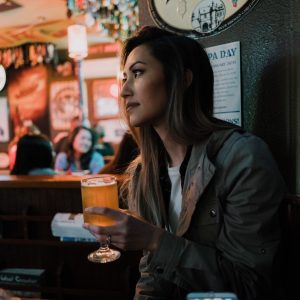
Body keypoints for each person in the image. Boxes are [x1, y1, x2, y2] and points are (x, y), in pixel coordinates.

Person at [83, 26, 285, 300]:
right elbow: (152, 276)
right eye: (124, 77)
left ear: (183, 79)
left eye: (138, 73)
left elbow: (250, 286)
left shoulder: (242, 158)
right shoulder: (145, 174)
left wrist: (153, 239)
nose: (124, 91)